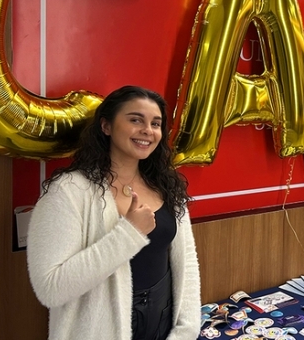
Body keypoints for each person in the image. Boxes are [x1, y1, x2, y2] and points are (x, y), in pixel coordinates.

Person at [27, 85, 201, 340]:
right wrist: (128, 234)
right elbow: (50, 288)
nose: (147, 131)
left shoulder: (166, 185)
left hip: (163, 329)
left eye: (156, 123)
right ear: (106, 126)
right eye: (135, 120)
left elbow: (186, 262)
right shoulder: (69, 191)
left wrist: (186, 330)